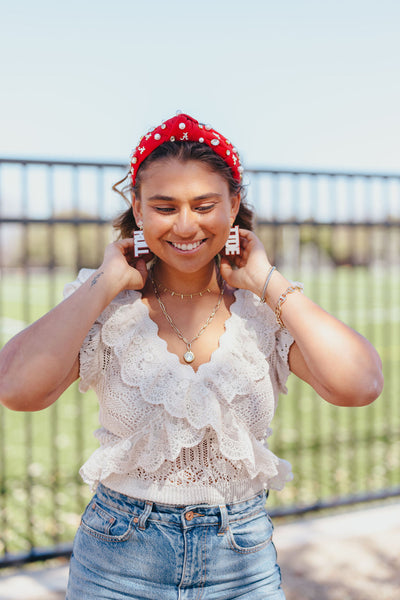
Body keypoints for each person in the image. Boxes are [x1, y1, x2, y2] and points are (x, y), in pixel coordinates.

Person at [0, 113, 383, 599]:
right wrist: (105, 282)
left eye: (204, 205)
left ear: (234, 204)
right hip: (118, 562)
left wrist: (270, 282)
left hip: (242, 563)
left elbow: (361, 384)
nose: (186, 225)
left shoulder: (263, 311)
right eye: (164, 206)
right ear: (137, 209)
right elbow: (15, 388)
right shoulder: (108, 305)